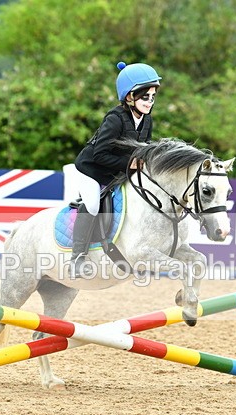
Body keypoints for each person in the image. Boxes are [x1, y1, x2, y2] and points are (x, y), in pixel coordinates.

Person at [70, 61, 162, 277]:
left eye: (152, 97)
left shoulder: (146, 120)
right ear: (129, 97)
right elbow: (100, 154)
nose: (150, 102)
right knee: (92, 204)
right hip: (91, 169)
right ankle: (77, 257)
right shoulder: (115, 119)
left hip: (117, 171)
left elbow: (143, 150)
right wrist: (129, 164)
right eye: (145, 97)